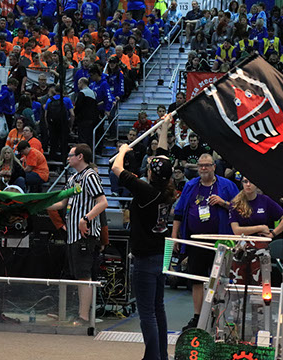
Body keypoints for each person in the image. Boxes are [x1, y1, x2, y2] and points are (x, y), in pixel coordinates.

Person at [111, 118, 175, 360]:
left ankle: (153, 357)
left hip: (146, 258)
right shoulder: (166, 187)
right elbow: (163, 154)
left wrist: (123, 151)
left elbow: (118, 171)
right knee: (158, 308)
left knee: (146, 312)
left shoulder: (146, 191)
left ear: (150, 172)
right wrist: (165, 127)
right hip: (160, 254)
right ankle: (160, 355)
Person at [172, 153, 239, 330]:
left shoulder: (227, 185)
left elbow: (240, 209)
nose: (203, 168)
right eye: (201, 165)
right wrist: (174, 236)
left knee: (220, 280)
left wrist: (223, 203)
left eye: (207, 165)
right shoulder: (190, 186)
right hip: (196, 241)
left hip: (221, 241)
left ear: (214, 167)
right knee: (196, 280)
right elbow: (178, 212)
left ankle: (220, 317)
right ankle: (198, 317)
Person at [48, 144, 108, 326]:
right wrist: (36, 205)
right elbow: (62, 203)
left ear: (80, 156)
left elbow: (103, 202)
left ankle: (83, 317)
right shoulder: (74, 178)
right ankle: (81, 314)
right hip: (73, 235)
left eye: (71, 155)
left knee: (84, 276)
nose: (68, 158)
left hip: (85, 234)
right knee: (78, 276)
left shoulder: (90, 176)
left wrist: (86, 218)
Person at [229, 177, 283, 284]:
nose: (248, 185)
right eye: (245, 182)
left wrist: (273, 234)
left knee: (263, 283)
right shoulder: (235, 203)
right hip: (242, 247)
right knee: (238, 283)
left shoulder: (265, 200)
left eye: (251, 181)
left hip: (261, 249)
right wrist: (260, 227)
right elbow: (236, 230)